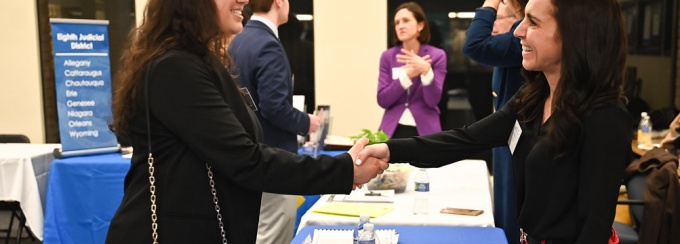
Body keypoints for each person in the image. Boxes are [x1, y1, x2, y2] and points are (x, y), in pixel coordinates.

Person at [105, 0, 387, 243]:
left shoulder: (198, 63)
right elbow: (246, 159)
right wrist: (342, 169)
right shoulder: (176, 68)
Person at [359, 0, 629, 242]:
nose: (518, 31)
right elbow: (466, 139)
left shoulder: (605, 117)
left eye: (533, 22)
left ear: (575, 34)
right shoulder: (533, 98)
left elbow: (594, 228)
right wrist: (390, 150)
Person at [228, 0, 319, 243]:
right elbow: (275, 107)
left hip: (246, 156)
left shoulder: (238, 40)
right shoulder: (269, 45)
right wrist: (305, 122)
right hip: (274, 159)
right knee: (273, 235)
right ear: (279, 2)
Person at [462, 0, 526, 241]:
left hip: (516, 140)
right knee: (501, 209)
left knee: (511, 213)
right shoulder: (508, 47)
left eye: (496, 18)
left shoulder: (518, 39)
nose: (491, 25)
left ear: (518, 18)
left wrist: (489, 4)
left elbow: (474, 44)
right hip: (504, 138)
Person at [378, 2, 447, 138]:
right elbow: (382, 100)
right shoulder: (388, 56)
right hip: (392, 130)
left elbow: (432, 101)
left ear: (420, 26)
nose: (400, 26)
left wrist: (426, 72)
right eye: (397, 23)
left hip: (425, 130)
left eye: (406, 21)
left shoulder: (436, 56)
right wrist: (406, 77)